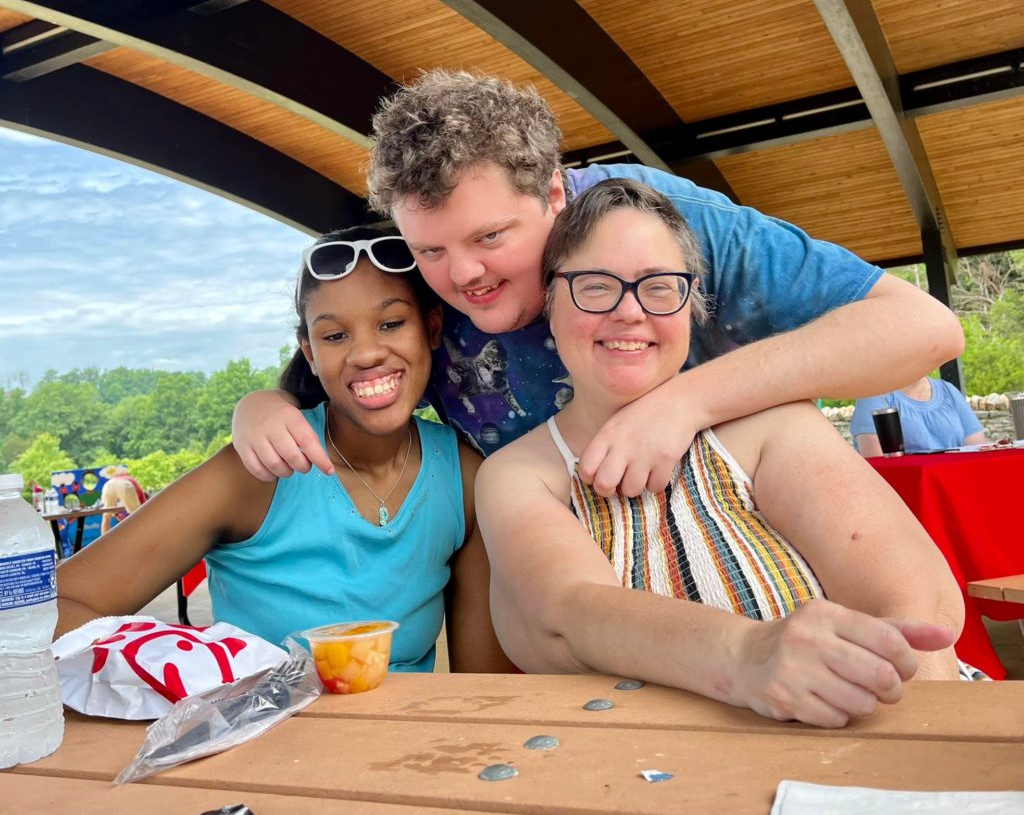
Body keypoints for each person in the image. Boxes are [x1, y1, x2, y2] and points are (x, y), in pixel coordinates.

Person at [232, 70, 964, 495]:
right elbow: (330, 377)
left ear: (554, 194)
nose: (462, 276)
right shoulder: (418, 276)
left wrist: (683, 405)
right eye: (430, 249)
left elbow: (922, 329)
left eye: (490, 238)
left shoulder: (655, 224)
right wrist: (261, 406)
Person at [475, 179, 968, 729]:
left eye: (660, 287)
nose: (629, 311)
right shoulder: (518, 473)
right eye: (594, 286)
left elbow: (917, 606)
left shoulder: (774, 425)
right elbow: (570, 610)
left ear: (692, 305)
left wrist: (914, 749)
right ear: (550, 302)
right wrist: (746, 654)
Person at [57, 227, 510, 675]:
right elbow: (57, 607)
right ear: (309, 354)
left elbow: (483, 687)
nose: (366, 353)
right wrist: (186, 677)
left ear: (432, 328)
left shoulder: (465, 478)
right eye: (335, 336)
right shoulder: (261, 469)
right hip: (257, 723)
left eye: (391, 324)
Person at [850, 376, 986, 456]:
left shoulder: (949, 391)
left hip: (954, 484)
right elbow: (878, 463)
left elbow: (978, 452)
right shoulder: (874, 394)